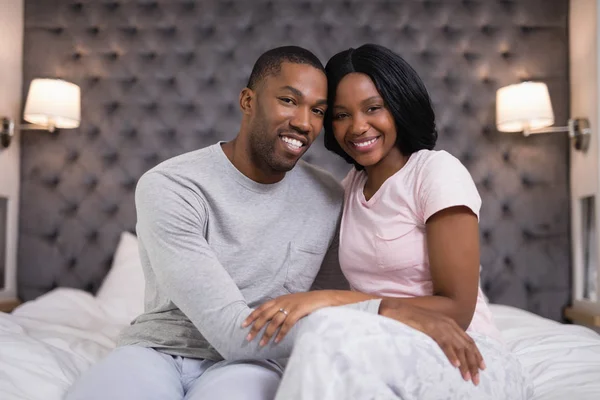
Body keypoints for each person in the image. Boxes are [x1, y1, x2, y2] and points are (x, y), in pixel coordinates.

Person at [66, 45, 485, 400]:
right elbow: (239, 331)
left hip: (257, 361)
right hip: (159, 349)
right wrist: (389, 312)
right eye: (288, 100)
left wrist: (359, 314)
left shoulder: (330, 196)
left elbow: (334, 297)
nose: (304, 122)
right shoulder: (172, 185)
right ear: (248, 101)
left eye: (318, 110)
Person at [243, 44, 533, 399]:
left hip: (467, 355)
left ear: (398, 105)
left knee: (324, 331)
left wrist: (328, 301)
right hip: (384, 346)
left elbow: (457, 309)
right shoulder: (348, 190)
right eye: (340, 115)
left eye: (373, 108)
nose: (357, 127)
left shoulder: (434, 172)